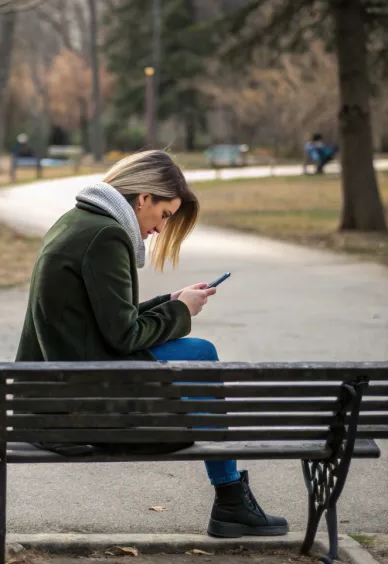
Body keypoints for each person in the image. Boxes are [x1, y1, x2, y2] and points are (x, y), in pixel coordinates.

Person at [16, 150, 288, 538]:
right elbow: (124, 335)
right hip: (77, 398)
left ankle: (230, 499)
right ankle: (230, 499)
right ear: (143, 198)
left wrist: (171, 301)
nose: (161, 229)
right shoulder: (106, 235)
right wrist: (182, 313)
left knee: (196, 355)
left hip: (55, 386)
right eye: (164, 215)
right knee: (201, 353)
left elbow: (108, 319)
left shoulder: (78, 222)